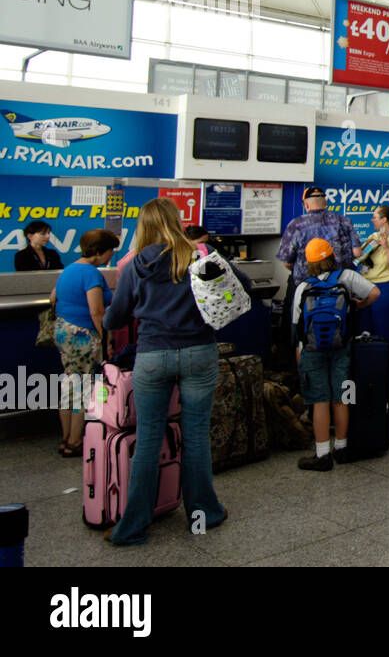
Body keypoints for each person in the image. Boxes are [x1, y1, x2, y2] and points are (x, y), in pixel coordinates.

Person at [102, 198, 252, 546]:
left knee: (149, 438)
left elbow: (115, 317)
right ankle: (204, 513)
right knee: (196, 435)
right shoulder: (199, 253)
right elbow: (241, 282)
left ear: (144, 226)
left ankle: (133, 525)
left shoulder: (136, 264)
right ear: (177, 221)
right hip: (200, 352)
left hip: (153, 355)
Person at [292, 238, 378, 471]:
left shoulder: (303, 287)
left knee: (319, 400)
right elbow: (375, 292)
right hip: (342, 347)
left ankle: (322, 455)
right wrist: (357, 306)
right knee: (342, 397)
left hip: (311, 350)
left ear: (308, 262)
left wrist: (300, 355)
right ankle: (342, 448)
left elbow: (296, 326)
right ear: (332, 256)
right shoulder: (346, 278)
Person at [50, 229, 118, 458]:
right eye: (110, 251)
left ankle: (65, 438)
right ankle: (75, 441)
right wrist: (105, 339)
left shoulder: (68, 269)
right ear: (99, 251)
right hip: (83, 334)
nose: (111, 256)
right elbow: (96, 311)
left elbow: (53, 298)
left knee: (70, 384)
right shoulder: (91, 273)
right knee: (85, 388)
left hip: (62, 331)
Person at [277, 185, 362, 317]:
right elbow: (357, 253)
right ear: (326, 202)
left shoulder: (295, 225)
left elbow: (287, 262)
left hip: (305, 287)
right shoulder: (344, 221)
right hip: (339, 287)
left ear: (306, 205)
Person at [356, 206, 389, 346]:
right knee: (364, 332)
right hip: (366, 288)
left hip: (385, 289)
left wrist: (386, 247)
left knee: (382, 332)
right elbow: (359, 259)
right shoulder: (372, 237)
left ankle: (386, 365)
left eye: (375, 217)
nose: (372, 220)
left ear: (384, 219)